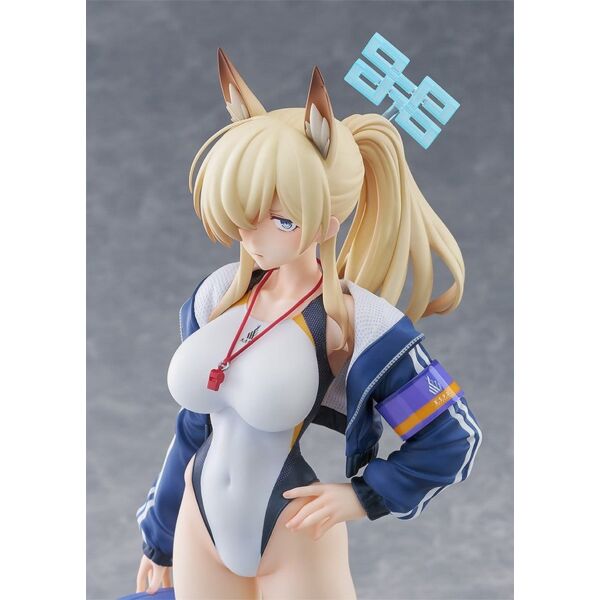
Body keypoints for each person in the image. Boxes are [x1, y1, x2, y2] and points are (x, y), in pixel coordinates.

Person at [131, 49, 482, 599]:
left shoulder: (356, 325)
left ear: (326, 222)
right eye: (243, 211)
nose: (251, 234)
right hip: (200, 522)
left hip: (291, 530)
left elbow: (452, 436)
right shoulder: (219, 297)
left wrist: (365, 494)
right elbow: (194, 427)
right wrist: (160, 535)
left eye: (279, 219)